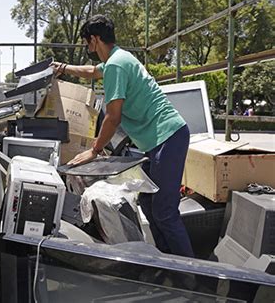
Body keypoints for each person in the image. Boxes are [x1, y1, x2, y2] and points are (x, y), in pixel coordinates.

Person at [51, 15, 194, 257]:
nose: (88, 49)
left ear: (95, 40)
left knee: (165, 211)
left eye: (87, 43)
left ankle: (193, 274)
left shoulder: (116, 65)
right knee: (149, 203)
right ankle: (168, 260)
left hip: (168, 137)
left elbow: (113, 117)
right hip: (158, 141)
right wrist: (63, 68)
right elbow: (90, 71)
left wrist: (95, 150)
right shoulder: (116, 60)